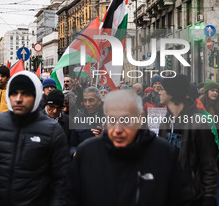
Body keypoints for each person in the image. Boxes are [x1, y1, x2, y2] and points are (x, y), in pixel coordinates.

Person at [67, 90, 191, 206]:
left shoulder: (163, 153)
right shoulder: (88, 153)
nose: (117, 130)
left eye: (125, 120)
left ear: (140, 119)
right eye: (111, 120)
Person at [0, 71, 69, 205]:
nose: (18, 99)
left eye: (25, 94)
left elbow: (61, 181)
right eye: (14, 93)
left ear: (36, 96)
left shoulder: (53, 131)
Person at [159, 74, 217, 206]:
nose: (159, 92)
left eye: (163, 89)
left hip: (191, 195)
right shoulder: (165, 122)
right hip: (168, 194)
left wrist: (209, 197)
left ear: (172, 93)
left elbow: (209, 166)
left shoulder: (198, 123)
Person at [70, 87, 104, 156]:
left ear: (99, 101)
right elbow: (72, 145)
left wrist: (104, 136)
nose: (87, 104)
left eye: (91, 100)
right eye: (85, 101)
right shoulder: (77, 118)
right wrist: (74, 153)